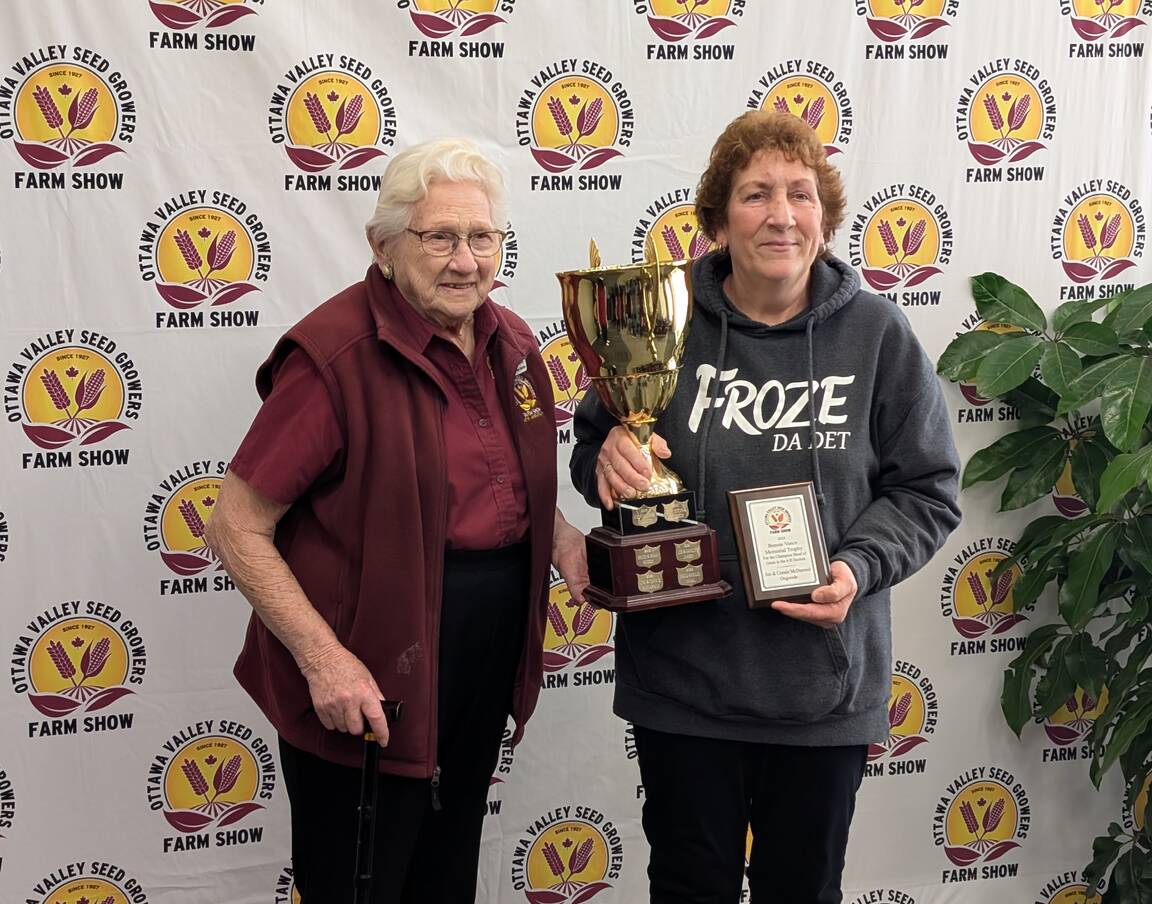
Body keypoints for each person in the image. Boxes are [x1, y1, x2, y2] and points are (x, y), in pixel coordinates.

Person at [569, 110, 961, 904]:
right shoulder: (659, 316)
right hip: (685, 684)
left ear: (825, 214)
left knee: (804, 890)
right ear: (717, 220)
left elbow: (926, 490)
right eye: (755, 195)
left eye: (801, 194)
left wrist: (856, 568)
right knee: (688, 887)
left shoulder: (879, 335)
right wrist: (608, 456)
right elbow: (597, 450)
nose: (782, 215)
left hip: (823, 689)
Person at [207, 137, 588, 904]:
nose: (464, 260)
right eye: (440, 237)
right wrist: (326, 662)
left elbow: (497, 479)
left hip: (480, 659)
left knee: (446, 874)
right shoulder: (335, 356)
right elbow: (235, 526)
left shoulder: (510, 341)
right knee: (361, 882)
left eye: (482, 237)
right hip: (370, 678)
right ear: (383, 247)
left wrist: (571, 544)